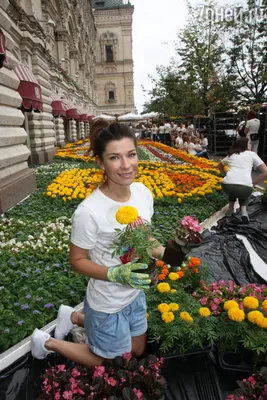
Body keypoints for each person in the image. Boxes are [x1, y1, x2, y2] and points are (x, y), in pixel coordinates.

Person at [30, 120, 185, 366]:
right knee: (112, 362)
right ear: (101, 162)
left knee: (137, 350)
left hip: (135, 294)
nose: (126, 165)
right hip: (107, 301)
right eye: (115, 158)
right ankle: (46, 342)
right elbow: (77, 261)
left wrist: (171, 254)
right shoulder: (89, 211)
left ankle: (71, 316)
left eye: (131, 154)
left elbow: (145, 238)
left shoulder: (143, 193)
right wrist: (115, 274)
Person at [218, 137, 267, 223]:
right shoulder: (252, 154)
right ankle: (244, 211)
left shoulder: (232, 154)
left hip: (226, 185)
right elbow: (265, 171)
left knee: (234, 188)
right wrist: (253, 183)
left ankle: (230, 209)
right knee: (244, 189)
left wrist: (226, 174)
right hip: (244, 187)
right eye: (249, 143)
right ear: (244, 145)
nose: (250, 145)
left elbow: (220, 166)